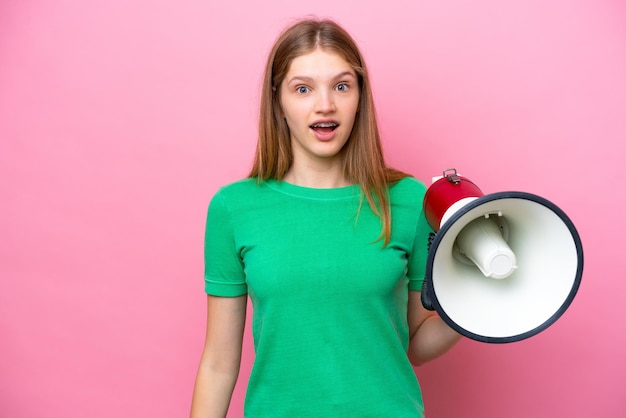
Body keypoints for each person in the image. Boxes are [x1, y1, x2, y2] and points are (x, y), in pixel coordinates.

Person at [190, 17, 462, 417]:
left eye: (341, 86)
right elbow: (217, 364)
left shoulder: (408, 200)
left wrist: (477, 302)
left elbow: (416, 343)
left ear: (359, 96)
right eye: (303, 88)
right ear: (278, 101)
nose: (325, 105)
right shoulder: (234, 208)